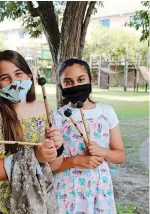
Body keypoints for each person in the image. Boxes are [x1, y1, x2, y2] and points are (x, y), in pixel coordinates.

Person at [0, 50, 64, 214]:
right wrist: (34, 156)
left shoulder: (43, 108)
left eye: (18, 74)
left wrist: (57, 148)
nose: (14, 82)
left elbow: (54, 165)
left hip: (39, 203)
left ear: (29, 76)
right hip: (5, 206)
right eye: (5, 78)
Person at [53, 58, 125, 213]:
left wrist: (104, 151)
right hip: (68, 192)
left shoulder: (107, 113)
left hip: (100, 191)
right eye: (68, 82)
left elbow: (120, 156)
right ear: (61, 86)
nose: (76, 85)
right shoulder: (56, 118)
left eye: (81, 79)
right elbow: (51, 167)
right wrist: (76, 160)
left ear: (90, 79)